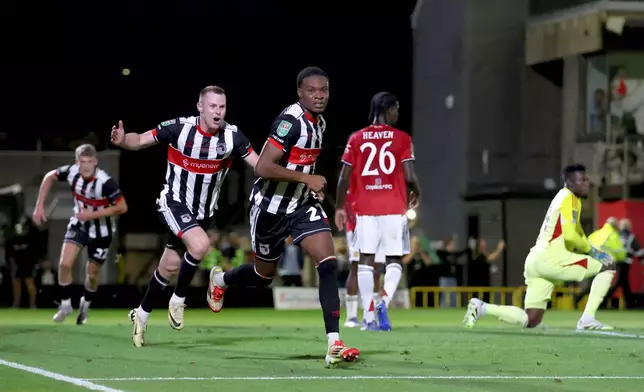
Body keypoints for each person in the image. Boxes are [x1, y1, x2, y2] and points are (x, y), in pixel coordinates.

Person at [207, 67, 359, 366]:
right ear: (300, 92)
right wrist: (307, 180)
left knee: (328, 265)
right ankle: (222, 278)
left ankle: (334, 342)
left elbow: (302, 164)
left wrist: (310, 184)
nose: (319, 96)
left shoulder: (320, 123)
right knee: (263, 277)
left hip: (302, 207)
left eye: (324, 90)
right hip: (269, 210)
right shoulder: (290, 122)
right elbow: (262, 167)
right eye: (312, 90)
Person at [110, 85, 259, 347]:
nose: (217, 112)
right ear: (200, 107)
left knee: (168, 266)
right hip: (173, 203)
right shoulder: (180, 128)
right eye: (212, 106)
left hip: (201, 215)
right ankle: (179, 299)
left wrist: (289, 169)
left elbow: (259, 164)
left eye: (222, 107)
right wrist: (124, 141)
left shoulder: (233, 137)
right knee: (201, 245)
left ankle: (141, 315)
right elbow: (142, 139)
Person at [463, 164, 617, 331]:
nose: (587, 183)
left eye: (586, 179)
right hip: (550, 259)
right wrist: (592, 251)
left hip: (535, 260)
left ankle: (482, 307)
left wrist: (589, 247)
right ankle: (588, 318)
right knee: (608, 266)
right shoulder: (569, 198)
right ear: (569, 183)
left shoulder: (565, 198)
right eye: (582, 180)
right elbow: (571, 236)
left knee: (531, 319)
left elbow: (576, 231)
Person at [335, 92, 420, 332]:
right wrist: (416, 192)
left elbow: (344, 177)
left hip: (365, 209)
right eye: (396, 109)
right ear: (388, 109)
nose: (397, 114)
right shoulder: (402, 138)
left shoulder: (357, 138)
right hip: (393, 207)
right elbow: (410, 176)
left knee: (365, 261)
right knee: (394, 260)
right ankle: (383, 300)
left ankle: (368, 317)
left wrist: (340, 207)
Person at [33, 143, 128, 324]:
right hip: (79, 224)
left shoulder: (105, 182)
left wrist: (92, 214)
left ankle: (85, 304)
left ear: (96, 162)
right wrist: (39, 206)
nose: (86, 166)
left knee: (91, 274)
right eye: (82, 161)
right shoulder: (71, 172)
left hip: (102, 231)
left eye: (90, 161)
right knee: (64, 264)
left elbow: (122, 207)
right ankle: (66, 304)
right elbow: (49, 177)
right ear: (77, 162)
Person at [342, 188, 385, 328]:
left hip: (379, 229)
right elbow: (349, 207)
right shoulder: (354, 181)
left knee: (376, 270)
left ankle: (369, 314)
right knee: (356, 267)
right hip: (357, 228)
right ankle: (351, 316)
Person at [6, 216, 39, 308]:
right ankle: (16, 303)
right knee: (16, 284)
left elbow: (36, 250)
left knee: (30, 283)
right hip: (16, 264)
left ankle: (32, 304)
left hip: (28, 264)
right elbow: (9, 252)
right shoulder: (12, 239)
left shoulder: (31, 237)